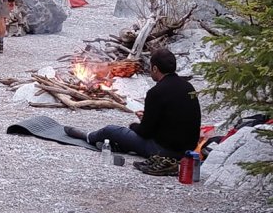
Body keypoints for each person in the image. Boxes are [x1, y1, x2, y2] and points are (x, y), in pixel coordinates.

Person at [65, 49, 201, 175]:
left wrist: (134, 125)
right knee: (129, 135)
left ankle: (89, 137)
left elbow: (145, 132)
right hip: (188, 149)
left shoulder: (156, 92)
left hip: (163, 150)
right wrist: (149, 117)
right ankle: (118, 145)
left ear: (155, 68)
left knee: (112, 130)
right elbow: (177, 117)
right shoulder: (189, 87)